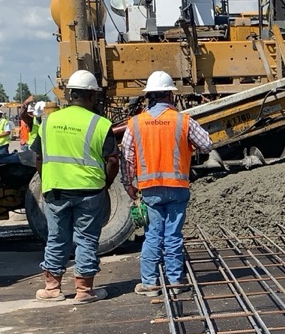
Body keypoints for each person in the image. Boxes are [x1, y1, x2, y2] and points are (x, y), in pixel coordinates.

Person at [32, 70, 120, 303]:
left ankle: (51, 289)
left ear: (70, 94)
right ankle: (84, 291)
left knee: (57, 237)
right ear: (92, 96)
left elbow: (38, 158)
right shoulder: (100, 124)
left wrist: (48, 179)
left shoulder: (48, 122)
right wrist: (106, 184)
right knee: (87, 239)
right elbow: (112, 160)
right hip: (90, 191)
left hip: (56, 190)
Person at [121, 70, 212, 297]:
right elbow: (207, 144)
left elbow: (127, 156)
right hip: (178, 187)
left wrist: (128, 184)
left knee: (153, 234)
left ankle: (150, 284)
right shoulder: (183, 120)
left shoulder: (135, 124)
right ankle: (176, 281)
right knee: (173, 235)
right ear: (170, 96)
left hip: (150, 188)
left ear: (149, 96)